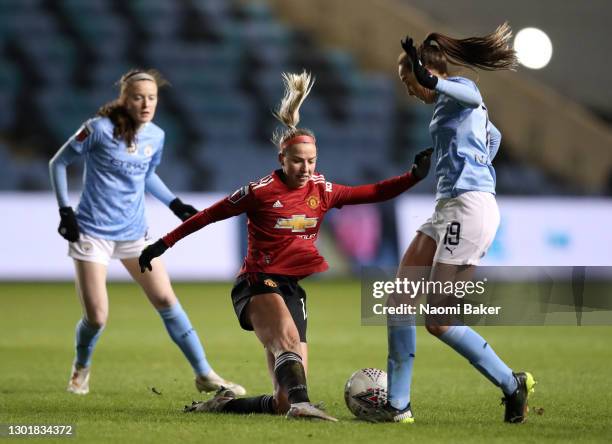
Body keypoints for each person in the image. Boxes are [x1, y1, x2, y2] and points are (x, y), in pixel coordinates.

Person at [139, 71, 433, 421]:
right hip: (257, 282)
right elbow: (208, 216)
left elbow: (372, 192)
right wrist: (162, 244)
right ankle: (304, 405)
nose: (305, 167)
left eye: (311, 161)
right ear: (282, 158)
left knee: (282, 398)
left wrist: (412, 176)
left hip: (291, 288)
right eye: (297, 161)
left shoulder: (323, 191)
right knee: (288, 342)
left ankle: (225, 404)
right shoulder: (259, 192)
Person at [48, 69, 245, 396]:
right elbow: (58, 162)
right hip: (92, 233)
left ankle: (205, 374)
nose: (145, 103)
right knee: (97, 317)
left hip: (134, 233)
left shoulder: (156, 135)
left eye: (151, 97)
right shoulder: (97, 129)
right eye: (138, 97)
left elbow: (147, 175)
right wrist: (65, 210)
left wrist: (175, 204)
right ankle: (81, 368)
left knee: (167, 299)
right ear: (124, 99)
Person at [380, 23, 535, 424]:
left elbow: (468, 94)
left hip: (470, 209)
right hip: (447, 207)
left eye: (408, 80)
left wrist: (432, 78)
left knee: (438, 319)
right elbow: (494, 136)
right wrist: (465, 156)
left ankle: (510, 382)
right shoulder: (448, 108)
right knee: (399, 299)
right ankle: (397, 406)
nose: (408, 88)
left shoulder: (463, 91)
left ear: (424, 73)